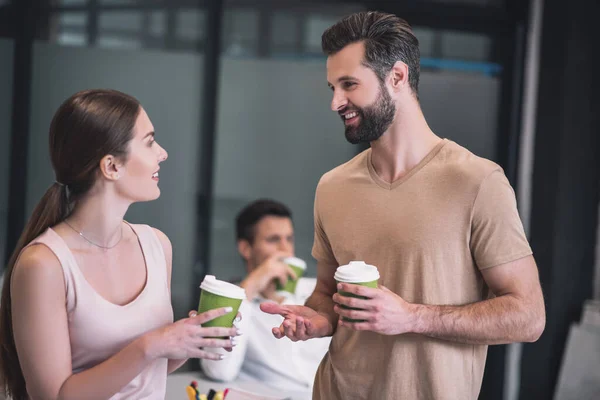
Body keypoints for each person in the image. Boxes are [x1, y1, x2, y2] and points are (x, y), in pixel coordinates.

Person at [260, 11, 546, 400]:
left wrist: (411, 317)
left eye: (348, 85)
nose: (335, 102)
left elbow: (528, 317)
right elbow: (326, 293)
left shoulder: (477, 182)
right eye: (332, 87)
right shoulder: (333, 187)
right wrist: (317, 320)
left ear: (396, 77)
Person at [0, 89, 241, 400]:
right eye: (150, 141)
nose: (163, 153)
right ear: (111, 166)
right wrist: (151, 344)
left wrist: (187, 340)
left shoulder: (157, 245)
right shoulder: (43, 265)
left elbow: (143, 374)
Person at [201, 199, 330, 392]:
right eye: (273, 240)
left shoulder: (317, 291)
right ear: (245, 248)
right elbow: (219, 372)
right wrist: (251, 285)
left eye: (289, 239)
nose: (285, 249)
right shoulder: (229, 303)